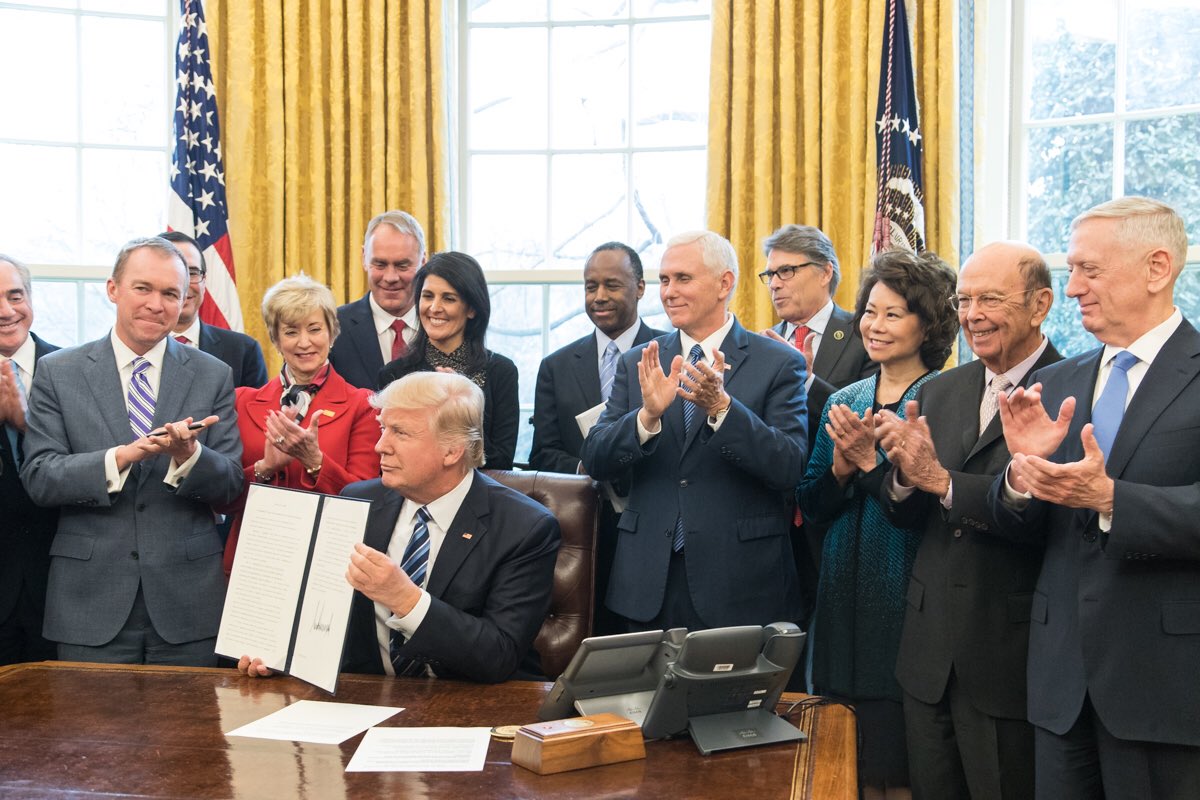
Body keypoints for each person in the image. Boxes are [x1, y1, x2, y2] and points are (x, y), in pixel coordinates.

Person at [990, 197, 1200, 799]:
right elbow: (1022, 529)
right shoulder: (1053, 382)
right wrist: (1022, 478)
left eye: (1090, 269)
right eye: (1071, 270)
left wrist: (1112, 500)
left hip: (1165, 685)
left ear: (1157, 268)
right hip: (1060, 684)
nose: (1073, 287)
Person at [874, 242, 1060, 799]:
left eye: (991, 299)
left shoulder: (1073, 390)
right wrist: (905, 477)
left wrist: (942, 481)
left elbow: (1046, 520)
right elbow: (903, 514)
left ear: (1040, 304)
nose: (972, 314)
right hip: (928, 656)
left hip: (1010, 655)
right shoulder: (940, 389)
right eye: (964, 300)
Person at [240, 371, 560, 682]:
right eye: (382, 429)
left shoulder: (525, 527)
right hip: (369, 699)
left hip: (477, 704)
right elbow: (323, 610)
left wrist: (405, 599)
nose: (381, 446)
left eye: (400, 433)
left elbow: (498, 656)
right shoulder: (359, 500)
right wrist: (282, 652)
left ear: (452, 450)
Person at [21, 237, 243, 666]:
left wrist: (189, 456)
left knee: (188, 734)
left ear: (183, 302)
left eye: (170, 294)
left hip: (188, 606)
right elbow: (41, 477)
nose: (156, 304)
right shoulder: (59, 372)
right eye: (143, 288)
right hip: (88, 602)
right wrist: (122, 456)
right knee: (89, 734)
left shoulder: (212, 374)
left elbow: (232, 485)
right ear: (113, 289)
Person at [580, 230, 809, 632]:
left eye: (683, 279)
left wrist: (723, 409)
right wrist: (646, 418)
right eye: (665, 280)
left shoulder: (778, 362)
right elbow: (596, 458)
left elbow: (788, 465)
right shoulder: (640, 361)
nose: (669, 291)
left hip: (739, 584)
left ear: (725, 284)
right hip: (647, 583)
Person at [797, 249, 958, 800]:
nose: (874, 325)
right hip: (840, 600)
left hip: (906, 599)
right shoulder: (845, 399)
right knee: (846, 765)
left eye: (893, 314)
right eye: (870, 311)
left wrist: (869, 464)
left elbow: (920, 510)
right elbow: (812, 506)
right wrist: (841, 467)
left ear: (928, 324)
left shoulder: (944, 399)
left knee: (902, 766)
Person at [529, 241, 665, 634]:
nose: (599, 297)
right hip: (583, 529)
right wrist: (584, 466)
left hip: (651, 523)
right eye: (591, 287)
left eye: (612, 285)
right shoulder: (555, 366)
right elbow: (542, 453)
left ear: (640, 288)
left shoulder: (671, 354)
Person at [221, 275, 380, 574]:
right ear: (276, 339)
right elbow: (223, 500)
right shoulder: (241, 402)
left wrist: (314, 461)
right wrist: (264, 468)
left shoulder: (363, 405)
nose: (304, 342)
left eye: (315, 329)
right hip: (255, 560)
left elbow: (366, 502)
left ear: (332, 334)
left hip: (328, 562)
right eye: (291, 331)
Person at [378, 252, 519, 470]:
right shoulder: (395, 375)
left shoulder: (501, 371)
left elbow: (502, 461)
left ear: (471, 309)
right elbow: (387, 458)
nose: (434, 308)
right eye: (427, 296)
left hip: (479, 495)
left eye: (448, 298)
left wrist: (464, 408)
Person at [0, 254, 58, 665]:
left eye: (15, 295)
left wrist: (27, 425)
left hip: (60, 589)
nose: (6, 311)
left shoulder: (73, 370)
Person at [329, 211, 426, 390]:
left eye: (402, 265)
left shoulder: (441, 326)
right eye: (380, 264)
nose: (390, 277)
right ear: (364, 258)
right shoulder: (332, 327)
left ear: (423, 261)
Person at [159, 231, 268, 389]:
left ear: (204, 281)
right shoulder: (134, 347)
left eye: (193, 272)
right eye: (171, 273)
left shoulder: (243, 351)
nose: (183, 284)